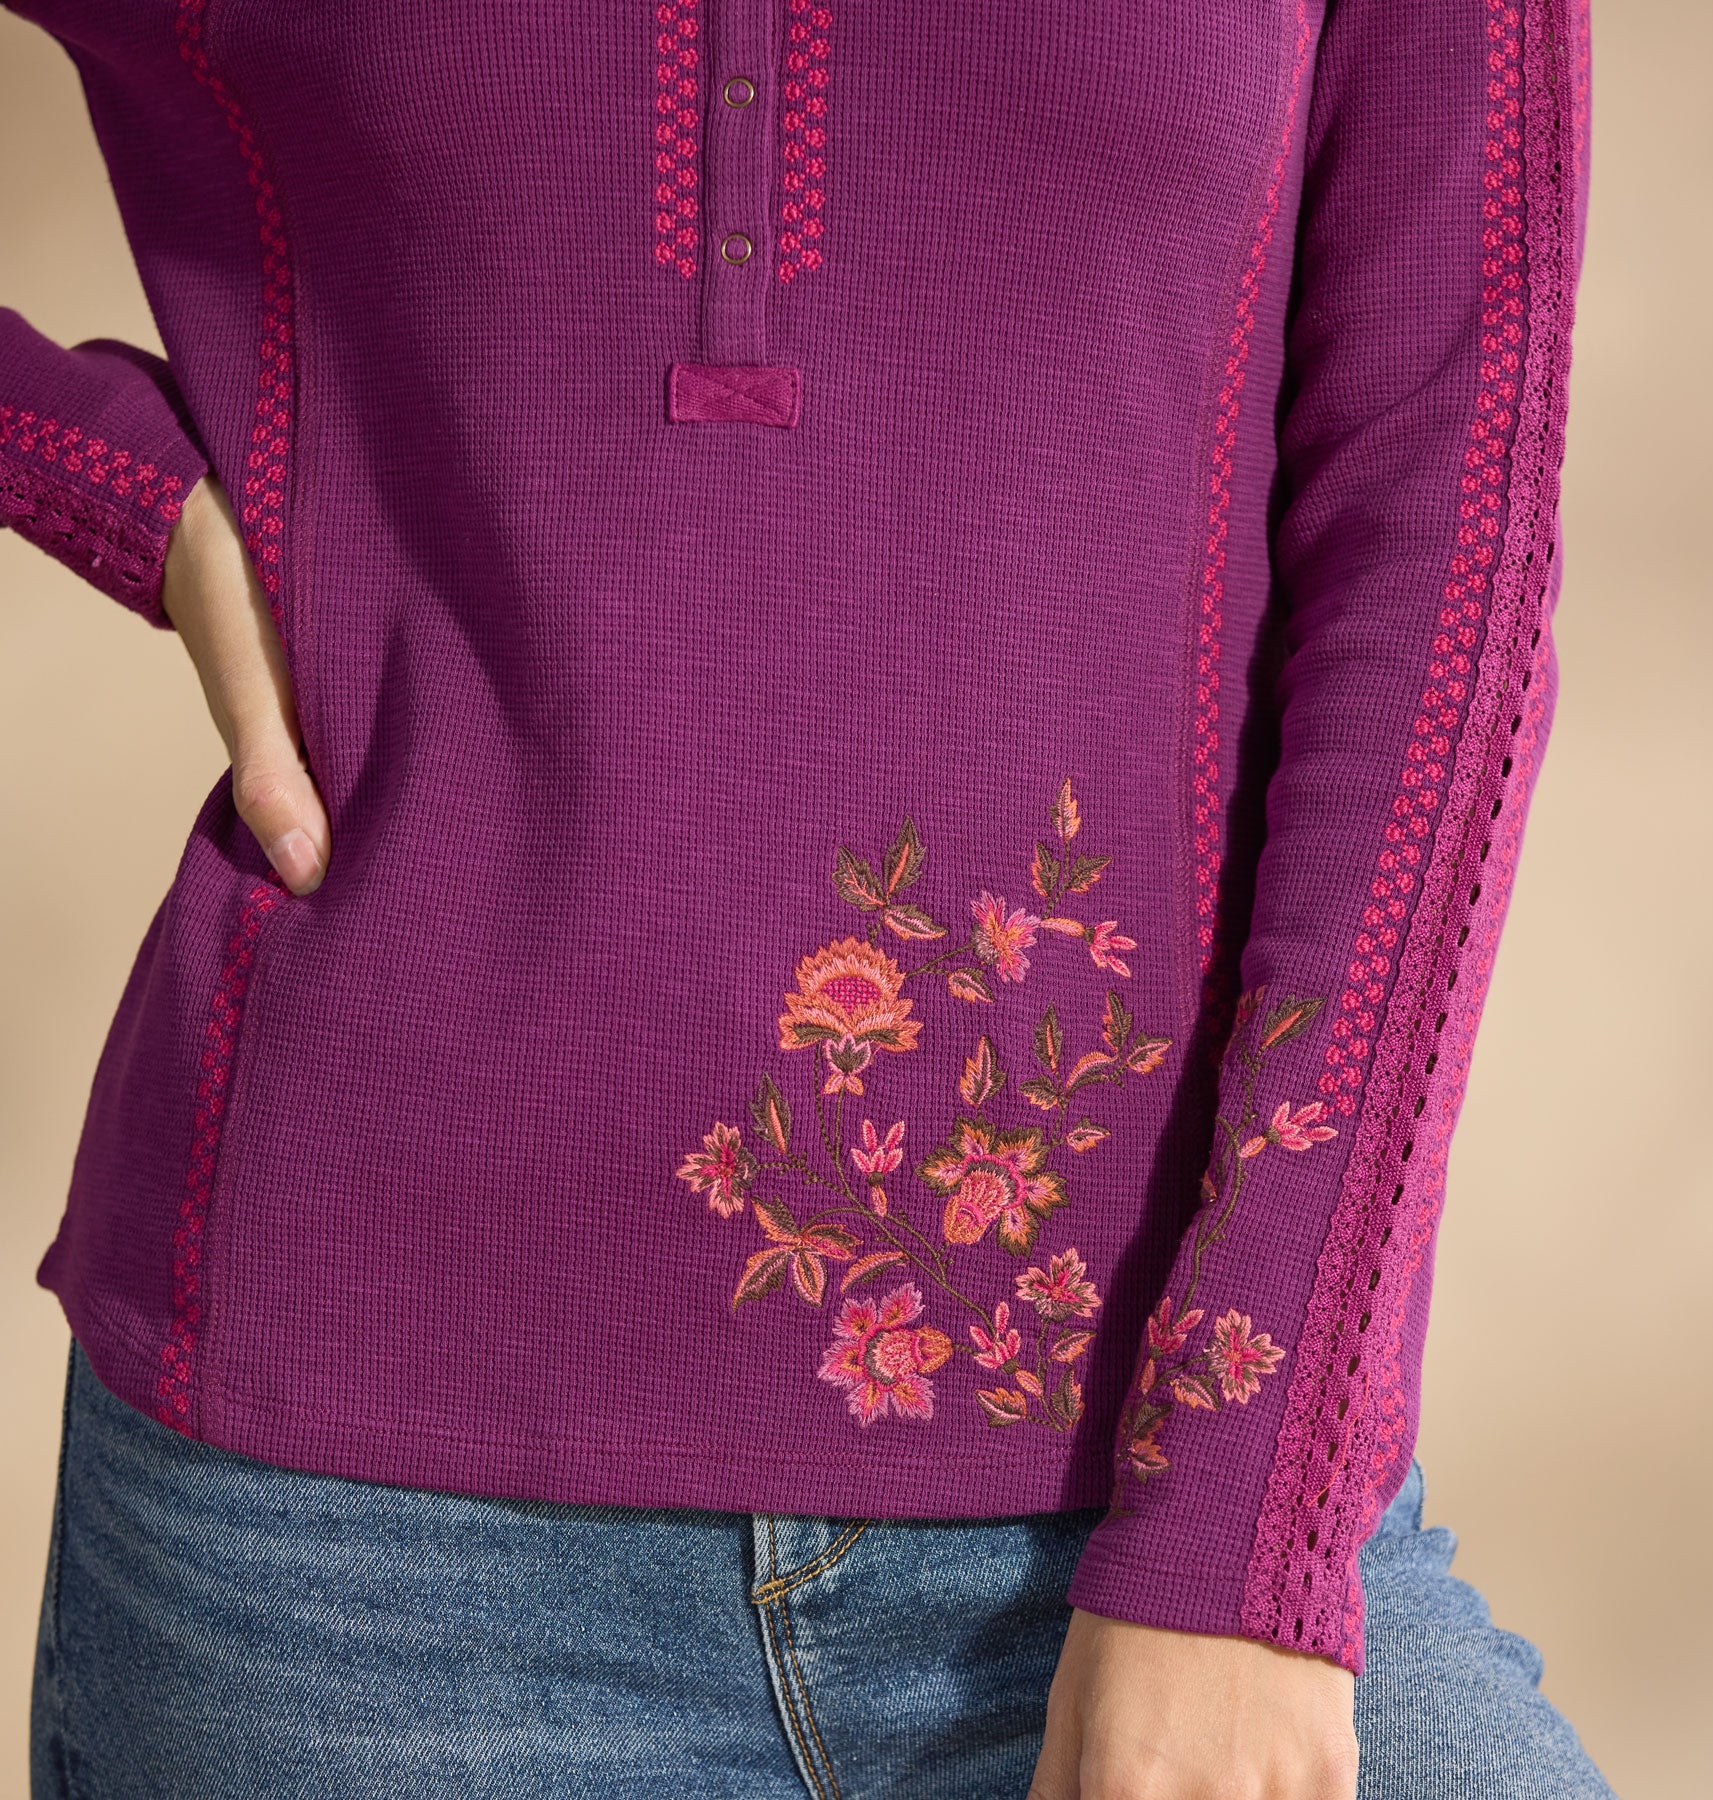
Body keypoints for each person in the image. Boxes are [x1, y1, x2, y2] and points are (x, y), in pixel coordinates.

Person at [3, 0, 1615, 1793]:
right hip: (347, 1570)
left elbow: (1444, 561)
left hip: (1146, 1505)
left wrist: (1249, 1536)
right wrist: (131, 493)